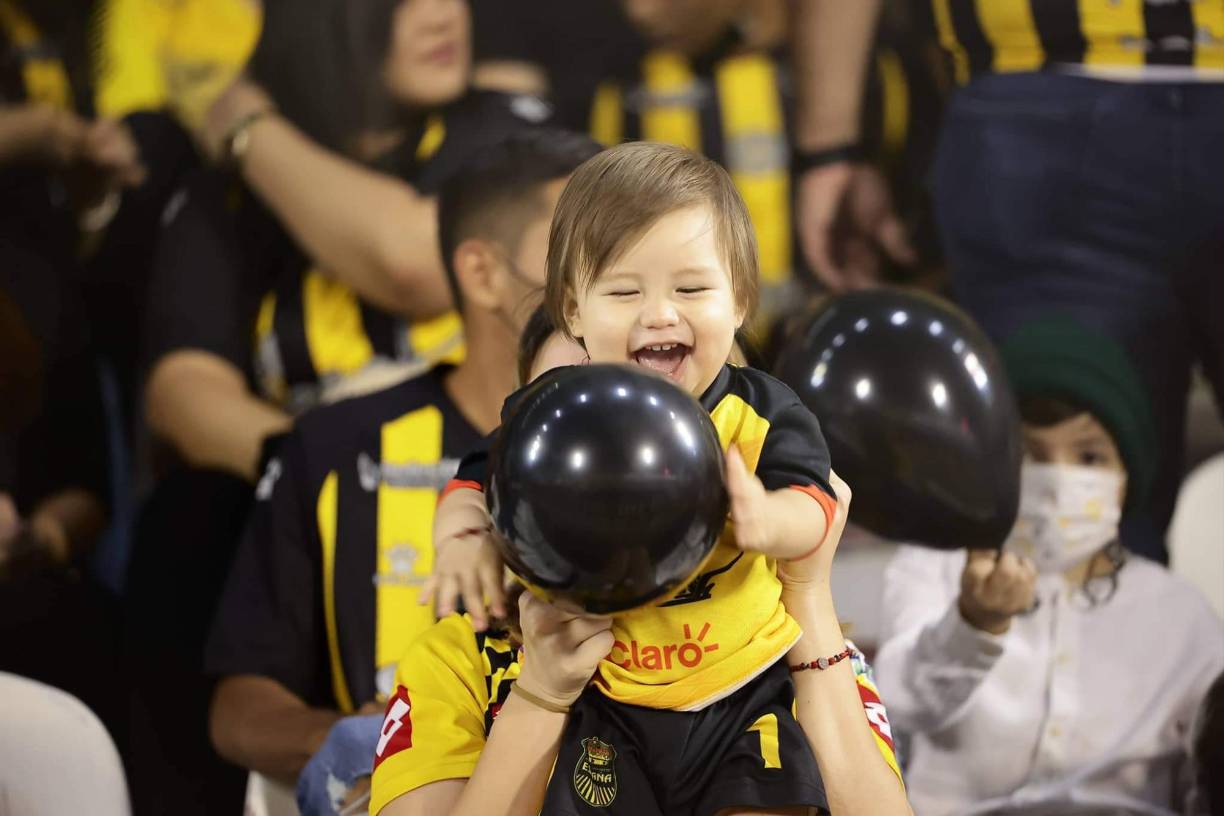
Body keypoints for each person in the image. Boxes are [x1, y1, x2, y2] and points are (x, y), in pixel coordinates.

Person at [411, 142, 904, 814]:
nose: (660, 314)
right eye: (624, 292)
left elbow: (816, 502)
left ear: (741, 301)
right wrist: (464, 540)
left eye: (691, 289)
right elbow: (477, 479)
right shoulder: (557, 416)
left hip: (745, 684)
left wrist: (770, 523)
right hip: (609, 693)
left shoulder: (761, 412)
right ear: (574, 313)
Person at [204, 131, 600, 798]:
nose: (618, 283)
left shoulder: (676, 441)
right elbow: (240, 705)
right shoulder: (335, 445)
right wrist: (361, 737)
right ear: (483, 273)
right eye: (582, 254)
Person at [796, 0, 1224, 562]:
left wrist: (830, 147)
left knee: (1073, 537)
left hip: (1038, 98)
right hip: (1037, 101)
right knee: (1068, 531)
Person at [874, 316, 1224, 815]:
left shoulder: (1180, 615)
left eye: (1089, 457)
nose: (1058, 480)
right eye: (1029, 454)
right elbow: (896, 705)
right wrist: (973, 625)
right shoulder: (935, 568)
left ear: (1128, 476)